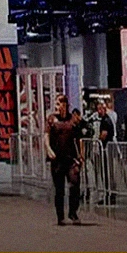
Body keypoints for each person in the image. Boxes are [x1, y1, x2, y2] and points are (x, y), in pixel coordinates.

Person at [45, 93, 83, 225]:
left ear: (65, 105)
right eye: (56, 104)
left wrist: (81, 155)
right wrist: (49, 149)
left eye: (59, 104)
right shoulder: (52, 119)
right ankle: (60, 216)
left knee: (75, 184)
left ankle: (73, 212)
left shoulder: (72, 120)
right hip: (57, 159)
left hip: (71, 158)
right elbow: (46, 136)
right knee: (59, 189)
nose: (57, 107)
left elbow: (79, 139)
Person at [94, 100, 117, 205]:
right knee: (107, 173)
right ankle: (109, 194)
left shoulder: (105, 121)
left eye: (100, 109)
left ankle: (109, 194)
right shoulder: (107, 119)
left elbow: (104, 135)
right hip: (107, 149)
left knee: (107, 172)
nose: (98, 111)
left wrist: (97, 141)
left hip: (106, 150)